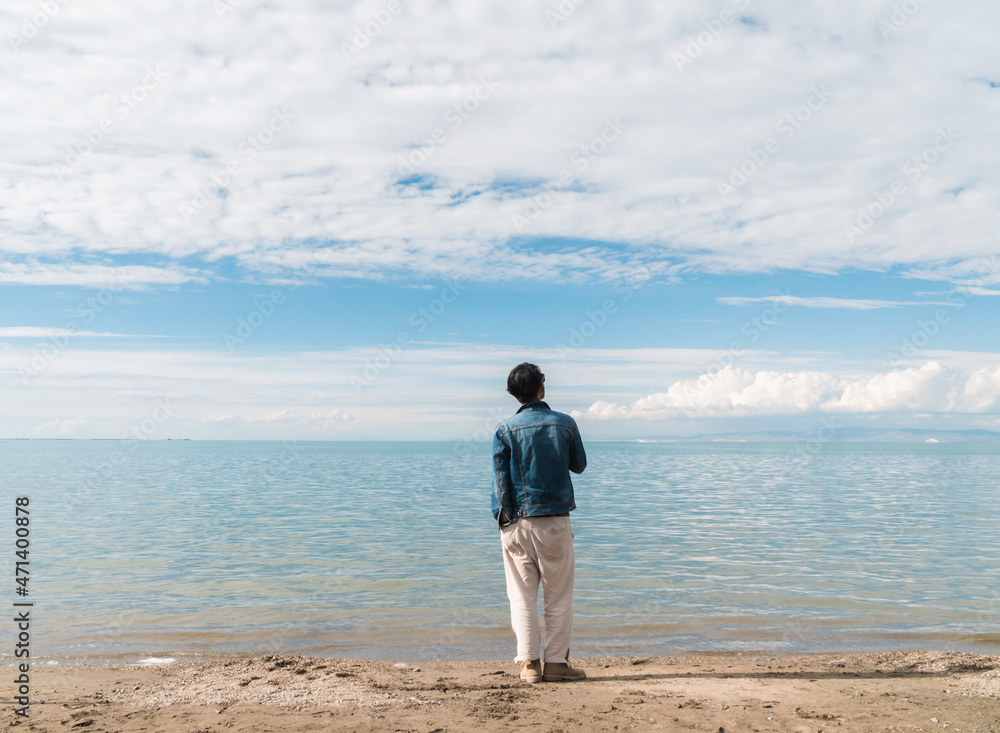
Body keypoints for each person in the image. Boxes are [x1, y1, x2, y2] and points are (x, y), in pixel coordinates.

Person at [492, 362, 587, 684]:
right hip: (554, 520)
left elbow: (501, 479)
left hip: (515, 521)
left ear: (513, 395)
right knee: (559, 595)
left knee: (521, 596)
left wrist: (504, 516)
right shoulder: (564, 423)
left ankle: (530, 664)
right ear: (542, 389)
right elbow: (579, 465)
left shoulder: (504, 429)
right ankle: (557, 664)